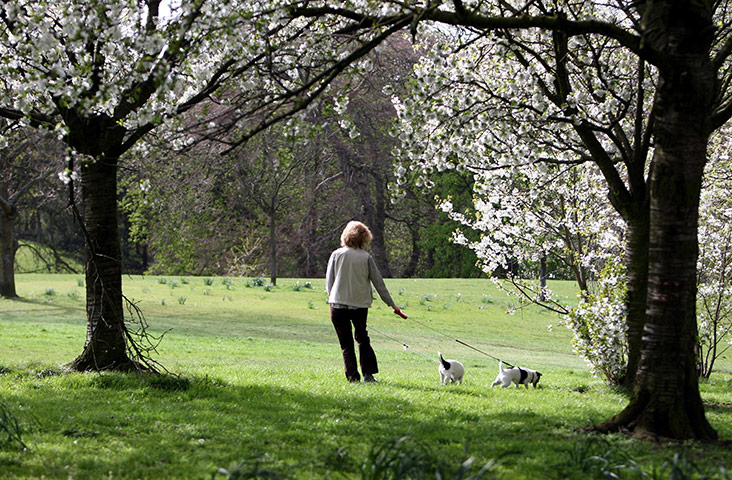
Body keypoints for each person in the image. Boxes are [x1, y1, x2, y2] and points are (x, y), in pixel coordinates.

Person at [325, 221, 404, 383]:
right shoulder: (366, 258)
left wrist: (333, 297)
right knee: (362, 338)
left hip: (337, 305)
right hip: (359, 306)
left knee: (346, 344)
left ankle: (353, 377)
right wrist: (392, 304)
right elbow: (378, 283)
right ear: (365, 238)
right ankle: (368, 375)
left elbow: (329, 283)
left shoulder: (336, 255)